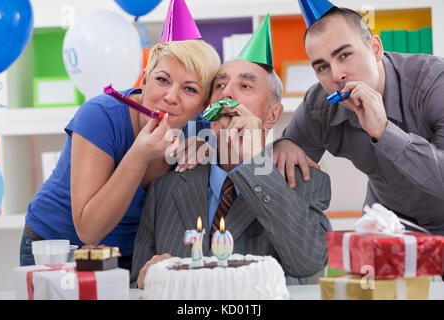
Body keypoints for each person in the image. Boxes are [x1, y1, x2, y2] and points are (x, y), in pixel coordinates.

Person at [20, 39, 221, 270]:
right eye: (162, 80)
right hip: (60, 250)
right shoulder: (99, 116)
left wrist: (212, 149)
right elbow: (89, 231)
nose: (171, 97)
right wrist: (138, 156)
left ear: (203, 104)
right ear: (144, 80)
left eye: (189, 89)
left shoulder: (201, 130)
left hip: (134, 255)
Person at [130, 58, 332, 288]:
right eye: (219, 86)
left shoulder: (304, 181)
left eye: (245, 86)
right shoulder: (164, 188)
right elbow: (137, 282)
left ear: (272, 115)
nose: (227, 94)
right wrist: (150, 277)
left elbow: (310, 262)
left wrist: (254, 162)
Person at [273, 5, 444, 234]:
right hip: (387, 229)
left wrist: (384, 132)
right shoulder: (318, 107)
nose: (336, 75)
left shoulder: (434, 82)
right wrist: (283, 144)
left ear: (375, 49)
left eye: (344, 55)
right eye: (322, 67)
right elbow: (275, 187)